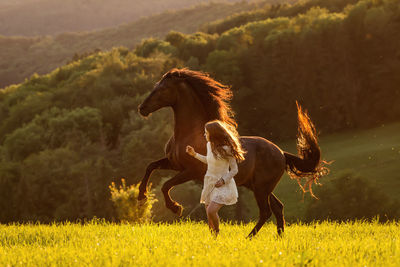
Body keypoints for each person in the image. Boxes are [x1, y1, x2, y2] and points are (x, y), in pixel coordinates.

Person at [186, 120, 246, 236]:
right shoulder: (209, 145)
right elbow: (209, 161)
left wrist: (223, 180)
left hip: (223, 184)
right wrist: (194, 154)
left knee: (211, 210)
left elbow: (234, 170)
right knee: (209, 216)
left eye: (206, 133)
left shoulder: (227, 149)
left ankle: (217, 232)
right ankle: (214, 238)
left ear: (213, 134)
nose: (204, 135)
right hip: (210, 182)